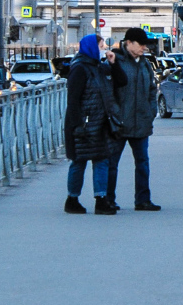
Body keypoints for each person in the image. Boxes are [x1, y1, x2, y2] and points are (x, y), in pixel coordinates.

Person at [64, 34, 125, 215]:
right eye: (101, 44)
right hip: (83, 124)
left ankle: (101, 199)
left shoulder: (99, 67)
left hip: (101, 123)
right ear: (92, 46)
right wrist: (77, 125)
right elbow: (73, 99)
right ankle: (72, 199)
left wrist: (114, 63)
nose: (104, 47)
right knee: (79, 161)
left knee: (102, 160)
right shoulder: (80, 69)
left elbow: (122, 81)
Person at [107, 27, 161, 212]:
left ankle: (143, 200)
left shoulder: (145, 64)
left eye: (146, 45)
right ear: (128, 43)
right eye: (141, 44)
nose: (144, 48)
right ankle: (109, 199)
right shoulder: (116, 62)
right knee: (112, 164)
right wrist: (115, 115)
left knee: (143, 163)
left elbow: (152, 90)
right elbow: (109, 92)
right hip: (119, 123)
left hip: (141, 121)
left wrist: (151, 111)